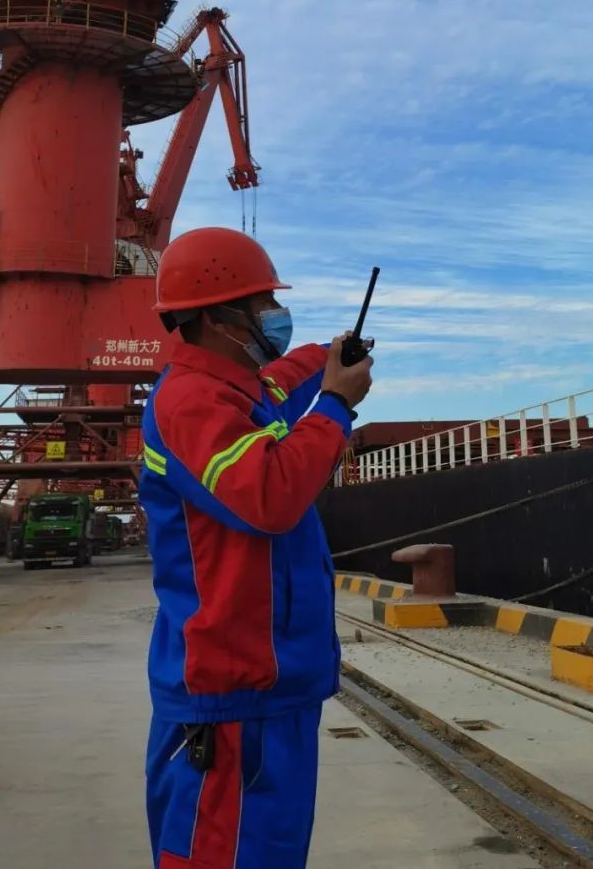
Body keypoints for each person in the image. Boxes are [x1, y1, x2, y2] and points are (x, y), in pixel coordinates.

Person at [139, 226, 374, 869]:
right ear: (218, 318)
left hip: (267, 694)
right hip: (229, 703)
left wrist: (332, 354)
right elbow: (269, 495)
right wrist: (336, 405)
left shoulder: (237, 390)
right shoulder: (191, 401)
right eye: (264, 302)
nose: (276, 314)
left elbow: (283, 382)